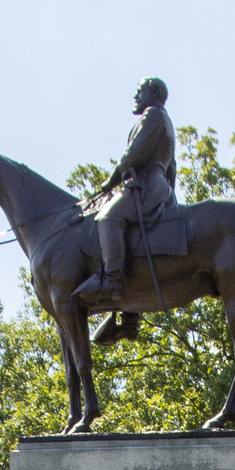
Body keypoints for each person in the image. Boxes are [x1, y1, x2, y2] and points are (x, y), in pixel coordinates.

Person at [76, 78, 176, 305]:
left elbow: (133, 154)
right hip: (160, 185)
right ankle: (130, 315)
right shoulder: (166, 122)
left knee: (107, 216)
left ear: (154, 93)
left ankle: (112, 280)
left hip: (147, 182)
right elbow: (173, 166)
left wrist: (110, 182)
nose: (135, 96)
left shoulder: (152, 115)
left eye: (140, 91)